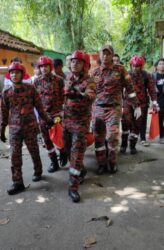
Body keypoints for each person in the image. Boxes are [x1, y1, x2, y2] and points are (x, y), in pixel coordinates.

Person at [0, 62, 53, 195]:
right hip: (14, 129)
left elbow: (39, 107)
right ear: (9, 75)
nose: (14, 75)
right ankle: (18, 182)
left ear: (22, 74)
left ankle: (38, 171)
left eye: (17, 72)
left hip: (30, 127)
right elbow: (4, 112)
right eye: (12, 73)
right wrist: (2, 129)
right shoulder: (6, 93)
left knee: (34, 151)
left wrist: (47, 120)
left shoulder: (30, 89)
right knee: (15, 156)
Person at [92, 45, 140, 175]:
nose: (105, 56)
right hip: (97, 109)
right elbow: (90, 91)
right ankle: (101, 163)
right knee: (98, 138)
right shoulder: (95, 72)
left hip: (114, 108)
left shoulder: (120, 70)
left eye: (108, 54)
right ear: (100, 55)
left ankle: (112, 162)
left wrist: (136, 105)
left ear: (112, 55)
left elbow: (130, 89)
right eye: (103, 54)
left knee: (112, 136)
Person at [63, 50, 96, 202]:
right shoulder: (68, 78)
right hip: (67, 121)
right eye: (73, 61)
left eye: (78, 62)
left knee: (76, 155)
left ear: (85, 65)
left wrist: (79, 94)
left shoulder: (90, 81)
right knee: (69, 150)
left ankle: (73, 187)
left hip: (81, 123)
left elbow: (90, 96)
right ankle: (81, 170)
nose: (74, 64)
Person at [33, 56, 67, 172]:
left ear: (50, 67)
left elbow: (65, 97)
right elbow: (34, 98)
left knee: (59, 137)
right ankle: (53, 162)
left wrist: (63, 112)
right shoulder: (36, 81)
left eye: (46, 66)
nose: (44, 69)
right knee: (46, 140)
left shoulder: (59, 80)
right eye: (41, 67)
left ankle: (63, 153)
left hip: (57, 114)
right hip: (43, 115)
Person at [120, 55, 158, 153]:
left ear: (141, 66)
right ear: (131, 65)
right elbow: (119, 88)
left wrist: (154, 102)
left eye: (137, 66)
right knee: (125, 122)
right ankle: (123, 144)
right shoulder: (126, 75)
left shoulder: (146, 75)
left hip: (141, 104)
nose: (135, 68)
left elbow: (152, 89)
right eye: (133, 65)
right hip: (128, 102)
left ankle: (132, 146)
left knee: (137, 125)